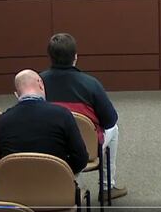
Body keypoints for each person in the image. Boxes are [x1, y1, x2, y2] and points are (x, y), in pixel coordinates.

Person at [40, 33, 127, 201]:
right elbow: (110, 120)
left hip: (48, 144)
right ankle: (107, 187)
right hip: (86, 147)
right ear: (75, 57)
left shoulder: (38, 83)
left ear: (49, 57)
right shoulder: (90, 83)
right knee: (114, 129)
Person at [0, 69, 88, 175]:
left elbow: (4, 158)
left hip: (16, 182)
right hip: (56, 180)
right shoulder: (62, 115)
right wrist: (64, 172)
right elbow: (81, 158)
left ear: (16, 94)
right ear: (40, 84)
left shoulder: (3, 120)